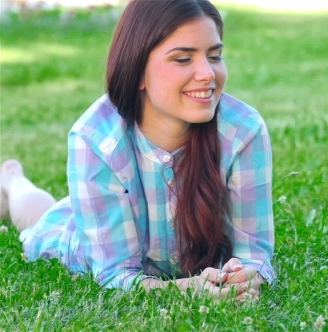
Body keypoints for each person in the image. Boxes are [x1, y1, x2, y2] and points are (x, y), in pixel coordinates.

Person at [0, 0, 275, 300]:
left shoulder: (243, 131)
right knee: (36, 222)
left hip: (117, 209)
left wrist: (247, 275)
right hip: (80, 237)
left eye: (214, 56)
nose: (207, 73)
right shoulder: (95, 140)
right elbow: (114, 275)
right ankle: (13, 180)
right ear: (138, 71)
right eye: (183, 59)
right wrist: (190, 289)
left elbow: (254, 252)